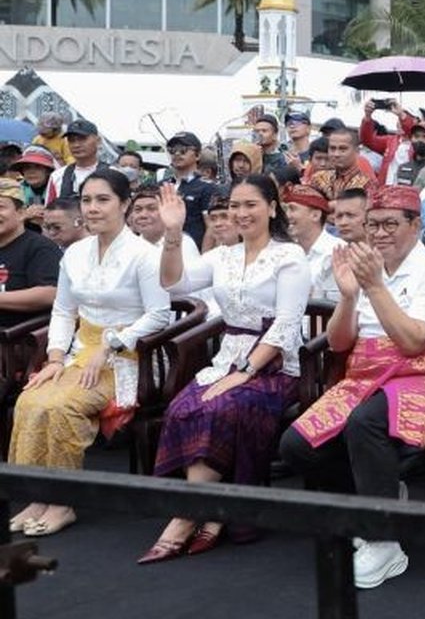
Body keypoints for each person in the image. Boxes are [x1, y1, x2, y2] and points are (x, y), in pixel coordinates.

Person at [280, 185, 425, 589]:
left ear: (416, 225)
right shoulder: (365, 266)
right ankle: (379, 496)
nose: (379, 233)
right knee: (295, 446)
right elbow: (339, 343)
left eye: (390, 224)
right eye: (373, 224)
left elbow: (414, 342)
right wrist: (349, 296)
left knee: (366, 422)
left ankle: (383, 540)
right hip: (365, 375)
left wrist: (375, 287)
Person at [138, 178, 309, 563]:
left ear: (272, 207)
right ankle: (213, 511)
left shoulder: (289, 256)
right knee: (185, 408)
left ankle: (187, 515)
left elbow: (286, 324)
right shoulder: (222, 256)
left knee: (221, 408)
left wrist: (246, 371)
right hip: (227, 359)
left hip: (276, 365)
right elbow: (174, 282)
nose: (241, 213)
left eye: (251, 204)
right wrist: (173, 233)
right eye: (235, 205)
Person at [8, 169, 170, 537]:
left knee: (62, 406)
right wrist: (53, 358)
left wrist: (111, 345)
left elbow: (158, 314)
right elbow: (63, 311)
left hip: (130, 357)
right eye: (86, 200)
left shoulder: (143, 254)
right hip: (80, 352)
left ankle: (63, 501)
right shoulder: (75, 253)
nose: (93, 208)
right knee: (30, 400)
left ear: (125, 205)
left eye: (103, 200)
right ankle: (36, 495)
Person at [0, 179, 60, 329]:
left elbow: (50, 294)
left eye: (1, 207)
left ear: (21, 213)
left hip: (17, 341)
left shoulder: (40, 248)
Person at [284, 183, 343, 301]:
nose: (287, 215)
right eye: (286, 209)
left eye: (292, 209)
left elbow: (334, 306)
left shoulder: (336, 252)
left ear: (315, 215)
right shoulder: (285, 251)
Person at [161, 132, 216, 248]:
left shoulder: (207, 186)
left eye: (183, 150)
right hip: (162, 250)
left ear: (197, 155)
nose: (176, 154)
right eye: (172, 150)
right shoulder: (162, 185)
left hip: (192, 252)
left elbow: (211, 227)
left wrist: (204, 258)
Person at [44, 120, 110, 203]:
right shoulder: (57, 176)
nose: (76, 145)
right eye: (71, 140)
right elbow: (49, 212)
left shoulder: (113, 173)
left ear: (98, 140)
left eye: (82, 139)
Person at [308, 126, 376, 202]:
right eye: (332, 148)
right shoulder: (319, 178)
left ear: (357, 151)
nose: (336, 154)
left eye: (343, 149)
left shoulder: (367, 183)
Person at [11, 147, 55, 228]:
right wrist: (25, 215)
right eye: (27, 167)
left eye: (37, 167)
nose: (31, 172)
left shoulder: (59, 187)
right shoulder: (14, 191)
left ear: (48, 171)